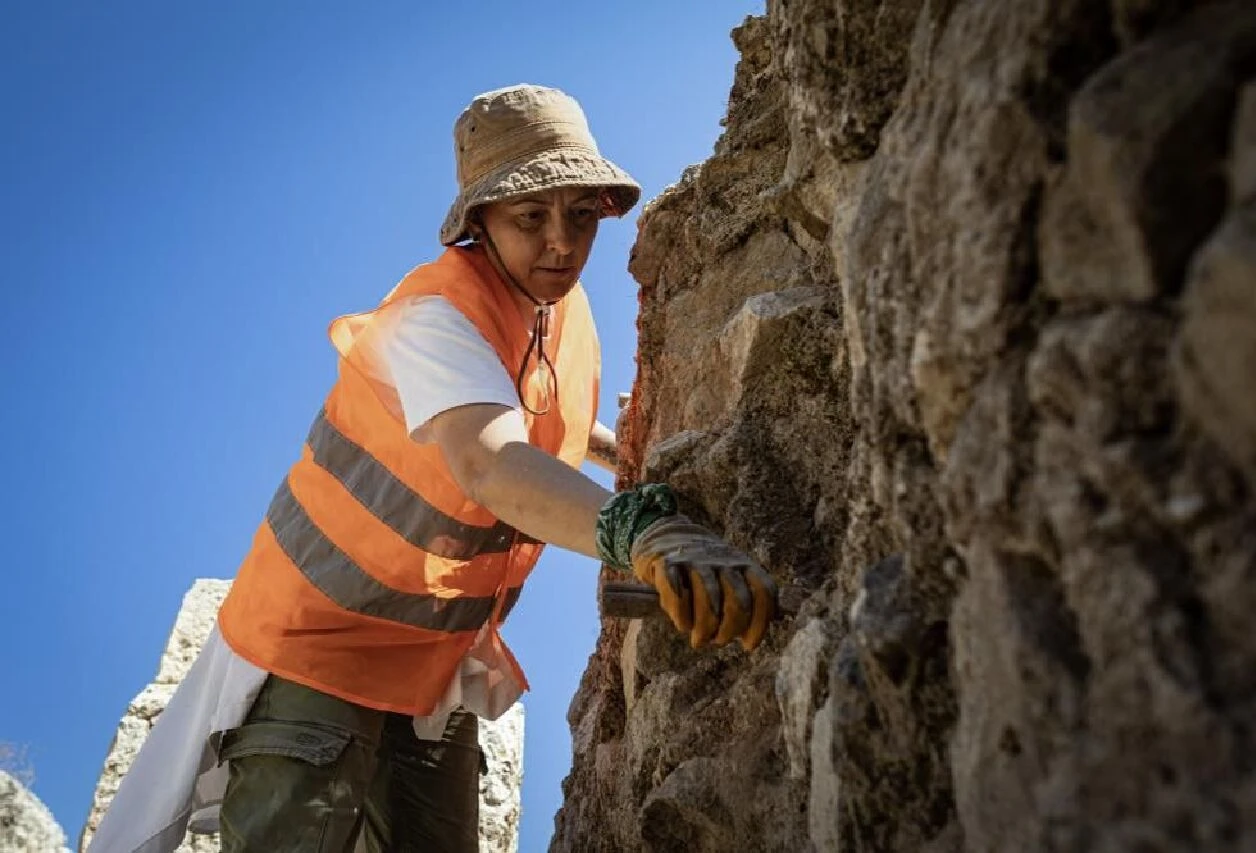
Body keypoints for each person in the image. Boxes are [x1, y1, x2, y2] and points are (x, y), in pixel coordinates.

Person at [87, 84, 777, 853]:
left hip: (428, 670)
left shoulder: (557, 315)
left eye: (582, 214)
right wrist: (642, 530)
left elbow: (543, 424)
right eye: (531, 217)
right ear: (477, 222)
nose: (562, 243)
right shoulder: (437, 317)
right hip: (319, 650)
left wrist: (626, 455)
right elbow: (491, 463)